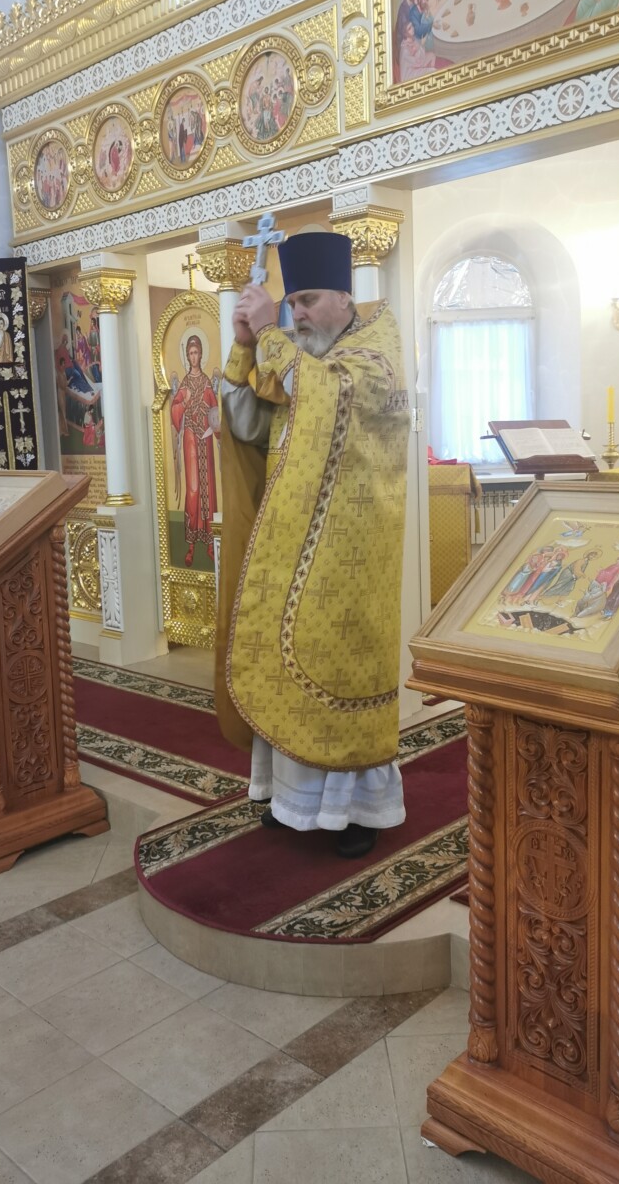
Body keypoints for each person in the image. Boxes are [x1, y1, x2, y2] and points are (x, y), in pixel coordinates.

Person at [216, 231, 410, 859]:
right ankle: (289, 798)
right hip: (288, 546)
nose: (297, 314)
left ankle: (355, 812)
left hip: (352, 558)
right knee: (282, 670)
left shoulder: (374, 355)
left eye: (308, 301)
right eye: (292, 303)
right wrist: (245, 348)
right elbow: (246, 427)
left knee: (340, 672)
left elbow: (330, 396)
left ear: (344, 297)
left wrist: (266, 331)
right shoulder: (300, 358)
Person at [171, 334, 219, 566]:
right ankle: (190, 545)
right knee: (193, 488)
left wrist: (216, 428)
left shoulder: (207, 382)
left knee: (208, 486)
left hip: (205, 438)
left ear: (201, 354)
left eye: (196, 352)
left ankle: (210, 542)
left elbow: (215, 412)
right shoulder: (185, 384)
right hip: (190, 437)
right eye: (190, 353)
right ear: (187, 356)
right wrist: (185, 402)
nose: (193, 357)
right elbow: (174, 410)